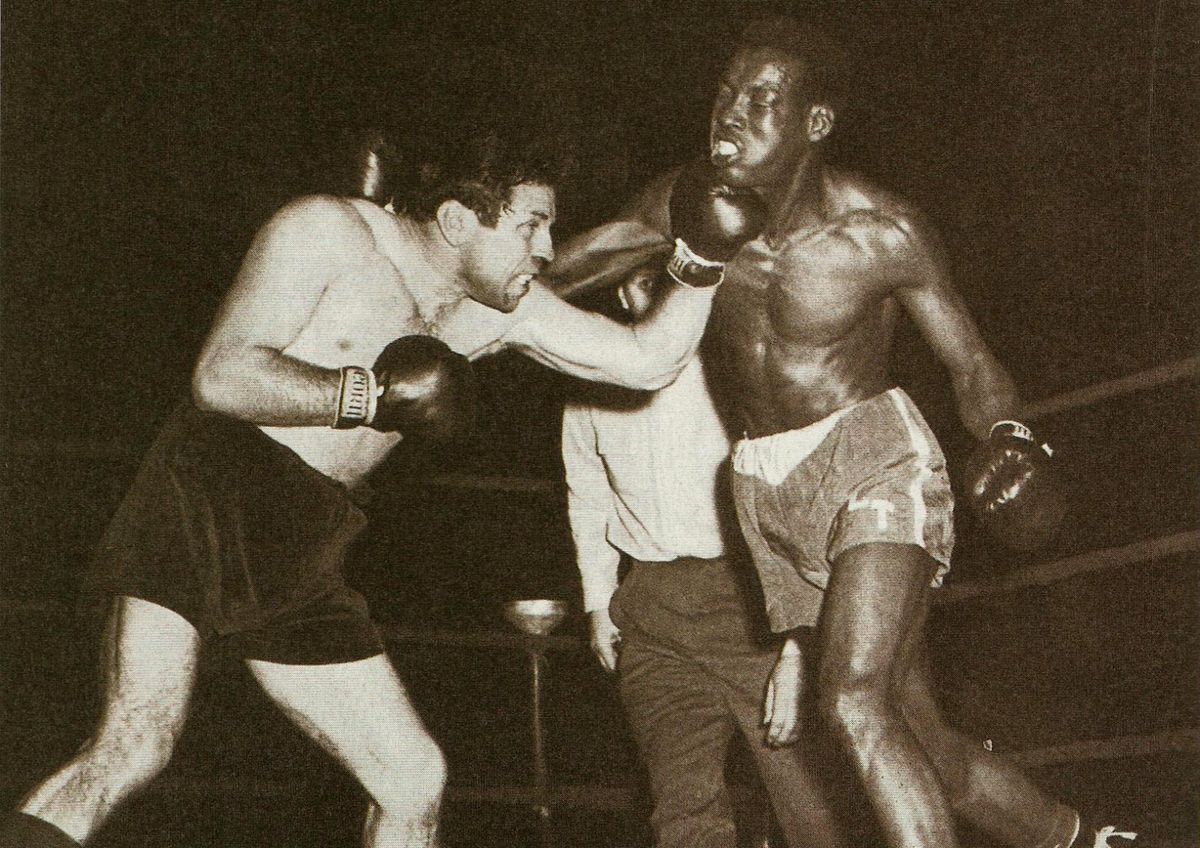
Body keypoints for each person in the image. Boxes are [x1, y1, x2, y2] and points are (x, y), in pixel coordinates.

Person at [0, 125, 734, 848]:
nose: (546, 250)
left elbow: (644, 362)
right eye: (531, 225)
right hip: (209, 492)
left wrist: (703, 259)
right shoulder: (327, 232)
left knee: (413, 780)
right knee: (136, 742)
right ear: (454, 221)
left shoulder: (501, 311)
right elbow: (220, 377)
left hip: (307, 535)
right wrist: (367, 396)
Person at [547, 16, 1136, 848]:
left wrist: (1006, 431)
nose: (730, 115)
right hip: (764, 489)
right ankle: (1087, 840)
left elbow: (971, 363)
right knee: (920, 742)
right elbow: (553, 276)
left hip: (872, 456)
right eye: (724, 94)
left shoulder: (880, 230)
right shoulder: (685, 204)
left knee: (853, 700)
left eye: (761, 100)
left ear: (813, 124)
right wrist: (452, 288)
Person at [563, 265, 857, 848]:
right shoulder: (591, 378)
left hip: (751, 601)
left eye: (673, 280)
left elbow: (796, 500)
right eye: (642, 281)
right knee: (683, 807)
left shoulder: (737, 371)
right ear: (623, 289)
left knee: (807, 799)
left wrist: (796, 645)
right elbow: (586, 491)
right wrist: (598, 602)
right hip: (650, 606)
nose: (656, 294)